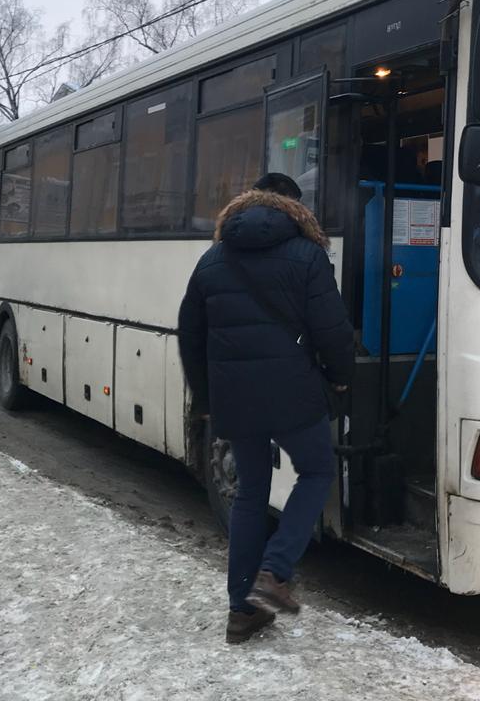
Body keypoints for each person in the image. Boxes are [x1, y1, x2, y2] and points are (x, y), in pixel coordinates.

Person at [178, 172, 354, 645]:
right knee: (316, 472)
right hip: (294, 391)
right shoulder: (308, 255)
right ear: (294, 209)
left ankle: (241, 612)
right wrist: (340, 376)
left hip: (234, 395)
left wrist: (207, 397)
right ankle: (273, 573)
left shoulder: (212, 259)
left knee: (251, 491)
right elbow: (332, 331)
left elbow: (190, 335)